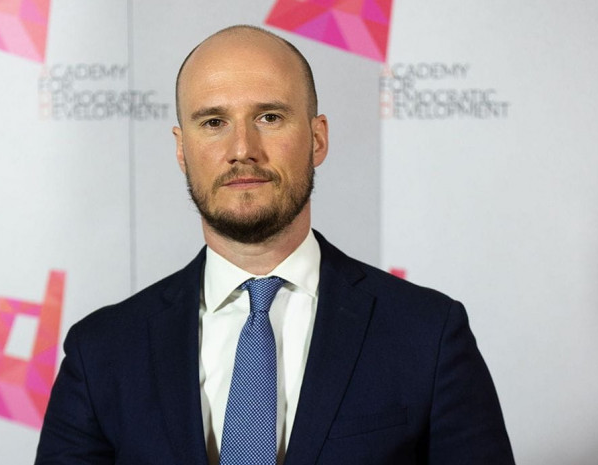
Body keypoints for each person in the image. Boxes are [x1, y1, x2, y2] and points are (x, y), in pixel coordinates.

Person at [35, 25, 514, 465]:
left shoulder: (427, 335)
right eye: (213, 122)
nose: (242, 148)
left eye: (269, 116)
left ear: (317, 139)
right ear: (181, 149)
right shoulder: (101, 352)